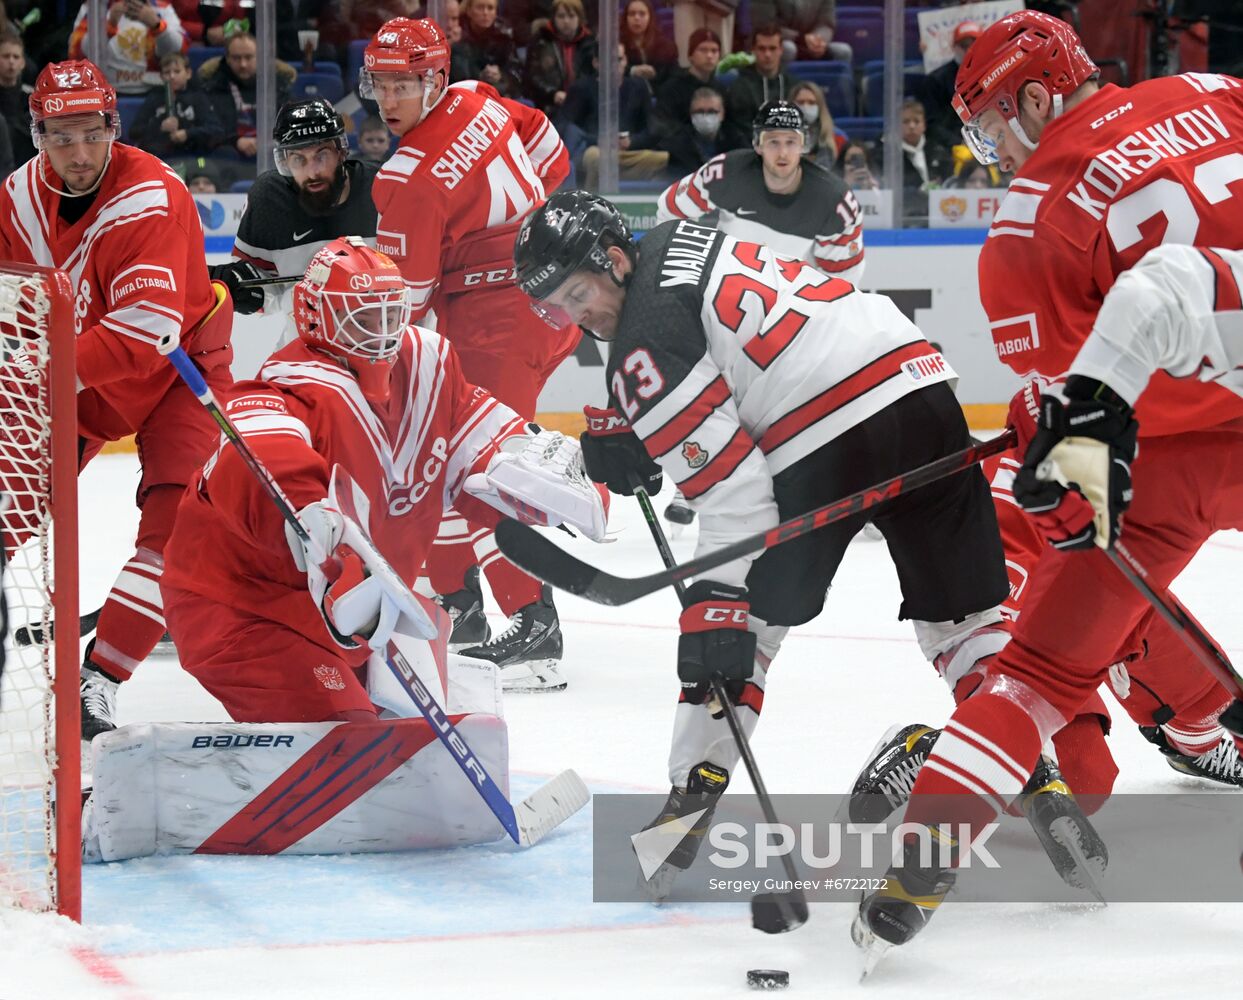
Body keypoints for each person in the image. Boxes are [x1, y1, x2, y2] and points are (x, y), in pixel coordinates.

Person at [853, 10, 1243, 959]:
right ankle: (1193, 726)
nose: (990, 150)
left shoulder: (1029, 219)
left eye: (990, 125)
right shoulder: (1216, 91)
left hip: (1169, 464)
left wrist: (1055, 458)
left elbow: (1073, 417)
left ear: (1035, 97)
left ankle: (914, 872)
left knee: (1031, 677)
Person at [514, 190, 1010, 897]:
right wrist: (635, 422)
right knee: (966, 616)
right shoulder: (680, 238)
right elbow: (726, 349)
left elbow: (733, 494)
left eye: (578, 294)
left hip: (828, 432)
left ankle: (688, 801)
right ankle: (1020, 758)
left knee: (745, 625)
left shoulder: (638, 342)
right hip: (919, 386)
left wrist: (713, 605)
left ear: (615, 260)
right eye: (556, 307)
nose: (575, 317)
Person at [160, 238, 607, 723]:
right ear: (317, 318)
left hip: (357, 608)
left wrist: (549, 470)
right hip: (246, 608)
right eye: (362, 317)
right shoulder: (292, 384)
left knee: (430, 732)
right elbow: (262, 443)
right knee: (347, 741)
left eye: (389, 314)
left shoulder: (427, 367)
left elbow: (485, 434)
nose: (382, 331)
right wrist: (310, 509)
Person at [0, 60, 234, 746]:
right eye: (60, 135)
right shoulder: (15, 199)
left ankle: (98, 677)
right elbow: (13, 311)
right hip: (77, 377)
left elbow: (136, 339)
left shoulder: (151, 198)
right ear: (38, 134)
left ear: (113, 126)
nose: (77, 153)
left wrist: (27, 376)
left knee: (177, 534)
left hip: (176, 374)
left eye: (90, 133)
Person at [363, 18, 581, 691]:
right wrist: (523, 233)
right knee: (445, 462)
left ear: (431, 78)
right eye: (381, 84)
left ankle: (531, 620)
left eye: (403, 84)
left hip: (492, 326)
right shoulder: (476, 97)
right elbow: (549, 147)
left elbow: (406, 305)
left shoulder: (404, 179)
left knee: (472, 467)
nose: (389, 99)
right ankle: (460, 604)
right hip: (547, 300)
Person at [207, 99, 379, 322]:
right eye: (299, 159)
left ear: (341, 151)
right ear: (285, 161)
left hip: (381, 336)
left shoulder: (381, 189)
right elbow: (263, 284)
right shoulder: (270, 199)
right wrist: (247, 289)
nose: (312, 171)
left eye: (322, 155)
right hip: (307, 342)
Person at [657, 100, 865, 282]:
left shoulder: (835, 201)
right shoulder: (725, 173)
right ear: (758, 144)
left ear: (804, 145)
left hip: (794, 307)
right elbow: (671, 209)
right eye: (773, 142)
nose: (783, 153)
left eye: (791, 142)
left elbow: (842, 282)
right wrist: (687, 273)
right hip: (724, 296)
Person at [568, 42, 668, 189]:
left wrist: (631, 141)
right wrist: (599, 140)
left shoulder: (639, 88)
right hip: (596, 151)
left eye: (619, 60)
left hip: (630, 154)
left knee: (667, 159)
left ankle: (647, 208)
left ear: (626, 61)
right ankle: (591, 204)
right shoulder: (581, 88)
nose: (614, 65)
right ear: (596, 63)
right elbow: (569, 128)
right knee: (597, 157)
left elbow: (652, 129)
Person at [199, 31, 294, 172]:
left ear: (259, 58)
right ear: (227, 59)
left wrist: (268, 142)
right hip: (230, 155)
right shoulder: (213, 88)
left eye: (248, 57)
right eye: (236, 58)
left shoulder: (277, 86)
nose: (243, 64)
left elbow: (290, 123)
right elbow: (210, 129)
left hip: (271, 150)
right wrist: (235, 141)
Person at [69, 0, 187, 96]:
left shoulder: (162, 8)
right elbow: (81, 51)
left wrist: (157, 26)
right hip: (105, 92)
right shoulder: (94, 6)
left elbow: (177, 51)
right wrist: (109, 25)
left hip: (154, 91)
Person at [128, 51, 224, 159]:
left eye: (177, 71)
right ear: (161, 76)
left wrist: (187, 133)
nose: (172, 76)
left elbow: (215, 130)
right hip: (160, 159)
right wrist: (159, 126)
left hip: (193, 157)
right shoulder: (154, 98)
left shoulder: (198, 98)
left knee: (202, 175)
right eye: (167, 73)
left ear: (188, 73)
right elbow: (134, 132)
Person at [882, 98, 953, 222]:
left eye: (916, 121)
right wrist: (919, 193)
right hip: (905, 217)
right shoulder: (886, 154)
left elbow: (950, 181)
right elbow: (888, 191)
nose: (912, 126)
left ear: (924, 125)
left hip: (942, 215)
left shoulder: (938, 150)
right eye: (905, 121)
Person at [725, 25, 802, 136]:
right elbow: (740, 130)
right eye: (762, 49)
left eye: (772, 48)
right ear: (753, 50)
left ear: (781, 50)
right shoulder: (740, 87)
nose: (767, 54)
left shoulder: (793, 85)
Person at [522, 0, 592, 120]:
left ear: (580, 18)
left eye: (571, 16)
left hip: (583, 106)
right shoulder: (541, 40)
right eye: (561, 16)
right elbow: (532, 75)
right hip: (548, 105)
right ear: (553, 18)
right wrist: (552, 94)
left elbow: (591, 76)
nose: (566, 21)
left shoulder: (589, 42)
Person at [656, 86, 744, 177]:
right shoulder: (677, 144)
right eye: (699, 112)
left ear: (722, 114)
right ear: (691, 114)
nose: (705, 117)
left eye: (712, 111)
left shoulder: (735, 139)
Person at [653, 27, 724, 135]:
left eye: (714, 51)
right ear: (690, 55)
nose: (709, 56)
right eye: (703, 50)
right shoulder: (672, 88)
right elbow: (664, 125)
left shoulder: (720, 88)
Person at [923, 19, 978, 150]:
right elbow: (932, 124)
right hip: (951, 148)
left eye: (974, 45)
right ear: (954, 47)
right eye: (964, 45)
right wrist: (958, 144)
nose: (969, 50)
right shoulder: (936, 80)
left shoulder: (993, 75)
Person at [453, 0, 520, 98]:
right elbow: (459, 77)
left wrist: (501, 75)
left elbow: (516, 72)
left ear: (496, 12)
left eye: (490, 8)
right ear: (469, 11)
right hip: (468, 94)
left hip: (500, 91)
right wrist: (479, 76)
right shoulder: (459, 35)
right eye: (480, 8)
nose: (485, 13)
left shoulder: (504, 34)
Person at [751, 0, 852, 63]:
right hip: (780, 41)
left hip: (811, 44)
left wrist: (819, 40)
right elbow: (765, 25)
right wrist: (801, 39)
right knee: (788, 48)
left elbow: (826, 23)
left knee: (843, 51)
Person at [620, 0, 678, 90]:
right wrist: (632, 70)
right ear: (625, 18)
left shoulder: (666, 45)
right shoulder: (617, 44)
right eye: (632, 14)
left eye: (642, 14)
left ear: (650, 17)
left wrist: (655, 73)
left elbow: (673, 75)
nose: (636, 18)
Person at [789, 79, 844, 169]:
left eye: (811, 102)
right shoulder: (779, 138)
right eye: (800, 102)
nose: (806, 107)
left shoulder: (838, 138)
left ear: (820, 107)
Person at [0, 27, 34, 168]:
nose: (11, 62)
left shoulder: (32, 100)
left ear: (23, 63)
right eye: (6, 56)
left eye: (16, 57)